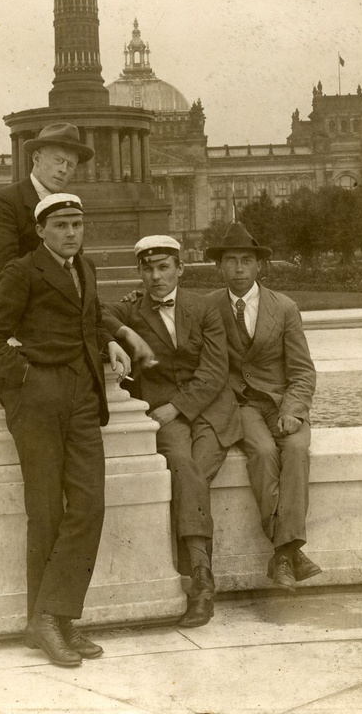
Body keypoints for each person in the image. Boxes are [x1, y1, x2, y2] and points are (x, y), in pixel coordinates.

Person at [0, 193, 131, 667]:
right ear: (41, 230)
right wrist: (25, 377)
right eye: (60, 224)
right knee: (45, 511)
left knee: (89, 504)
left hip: (83, 396)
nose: (70, 233)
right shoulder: (22, 272)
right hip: (38, 399)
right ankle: (49, 622)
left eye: (77, 224)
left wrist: (110, 345)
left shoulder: (85, 270)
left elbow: (87, 324)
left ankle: (51, 617)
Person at [104, 235, 242, 627]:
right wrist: (126, 333)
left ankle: (198, 577)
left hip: (210, 409)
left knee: (192, 467)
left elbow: (215, 370)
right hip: (165, 413)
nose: (155, 276)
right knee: (181, 462)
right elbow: (94, 313)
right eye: (147, 269)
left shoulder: (204, 307)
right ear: (139, 273)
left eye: (164, 267)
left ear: (180, 268)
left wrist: (176, 407)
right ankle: (201, 579)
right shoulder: (133, 309)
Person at [206, 221, 321, 592]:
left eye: (245, 261)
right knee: (263, 451)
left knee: (298, 448)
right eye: (230, 261)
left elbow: (303, 371)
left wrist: (293, 410)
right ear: (219, 267)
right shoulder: (206, 307)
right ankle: (288, 551)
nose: (238, 268)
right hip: (239, 404)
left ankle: (283, 554)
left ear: (259, 266)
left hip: (281, 400)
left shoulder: (284, 307)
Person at [0, 122, 93, 309]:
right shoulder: (5, 201)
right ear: (36, 158)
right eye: (58, 160)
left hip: (60, 313)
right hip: (15, 314)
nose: (64, 170)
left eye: (71, 165)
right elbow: (5, 270)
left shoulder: (70, 205)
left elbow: (74, 263)